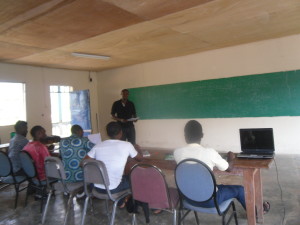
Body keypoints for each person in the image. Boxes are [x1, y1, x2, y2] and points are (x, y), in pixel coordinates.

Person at [174, 120, 246, 209]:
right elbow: (229, 168)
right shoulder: (209, 153)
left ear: (185, 136)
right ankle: (256, 213)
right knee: (240, 189)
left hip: (188, 198)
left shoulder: (177, 153)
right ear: (202, 135)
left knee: (220, 186)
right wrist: (231, 157)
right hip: (210, 201)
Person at [83, 121, 143, 207]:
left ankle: (121, 201)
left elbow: (83, 163)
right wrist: (138, 149)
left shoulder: (98, 145)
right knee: (135, 177)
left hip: (96, 188)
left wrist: (97, 162)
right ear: (121, 133)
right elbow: (140, 159)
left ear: (107, 133)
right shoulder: (127, 145)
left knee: (121, 177)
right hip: (113, 190)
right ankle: (134, 205)